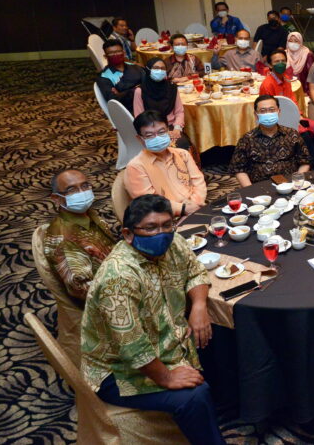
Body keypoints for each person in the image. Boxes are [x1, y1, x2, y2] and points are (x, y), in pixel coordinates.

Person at [81, 194, 224, 445]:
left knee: (219, 335)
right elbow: (131, 347)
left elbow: (195, 271)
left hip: (167, 339)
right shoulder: (119, 278)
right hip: (118, 371)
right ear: (127, 234)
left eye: (166, 225)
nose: (162, 233)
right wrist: (167, 378)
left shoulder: (174, 242)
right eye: (150, 228)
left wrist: (199, 306)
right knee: (194, 396)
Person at [45, 170, 117, 303]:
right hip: (107, 298)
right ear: (56, 198)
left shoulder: (88, 214)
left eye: (84, 186)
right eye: (71, 190)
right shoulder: (64, 238)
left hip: (115, 270)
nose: (81, 193)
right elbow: (83, 290)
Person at [125, 111, 206, 217]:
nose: (157, 138)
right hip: (165, 218)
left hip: (196, 207)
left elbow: (198, 181)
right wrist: (182, 208)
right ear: (140, 139)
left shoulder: (182, 154)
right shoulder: (136, 166)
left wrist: (196, 202)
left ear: (168, 131)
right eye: (149, 135)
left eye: (161, 132)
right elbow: (149, 201)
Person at [258, 49, 314, 165]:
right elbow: (267, 110)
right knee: (304, 133)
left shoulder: (286, 79)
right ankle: (312, 163)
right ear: (270, 65)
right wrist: (292, 120)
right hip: (278, 121)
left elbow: (292, 101)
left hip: (292, 117)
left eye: (283, 61)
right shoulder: (267, 84)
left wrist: (298, 116)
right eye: (276, 61)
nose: (281, 64)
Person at [230, 95, 312, 186]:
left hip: (289, 184)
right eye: (263, 111)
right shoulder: (247, 139)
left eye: (272, 110)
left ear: (279, 112)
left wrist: (297, 183)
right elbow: (238, 169)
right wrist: (251, 190)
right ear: (256, 115)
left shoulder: (292, 134)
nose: (268, 114)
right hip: (260, 188)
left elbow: (305, 162)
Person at [131, 58, 189, 149]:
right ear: (148, 69)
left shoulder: (172, 88)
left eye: (163, 68)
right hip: (150, 129)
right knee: (164, 145)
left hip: (170, 126)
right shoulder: (140, 91)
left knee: (182, 143)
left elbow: (179, 112)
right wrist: (159, 132)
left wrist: (177, 129)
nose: (160, 71)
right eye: (156, 68)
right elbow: (139, 117)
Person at [97, 38, 144, 110]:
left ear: (124, 53)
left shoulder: (135, 67)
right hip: (130, 110)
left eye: (118, 51)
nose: (115, 54)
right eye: (111, 53)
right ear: (105, 56)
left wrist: (121, 94)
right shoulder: (104, 77)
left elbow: (150, 84)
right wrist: (138, 89)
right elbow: (113, 100)